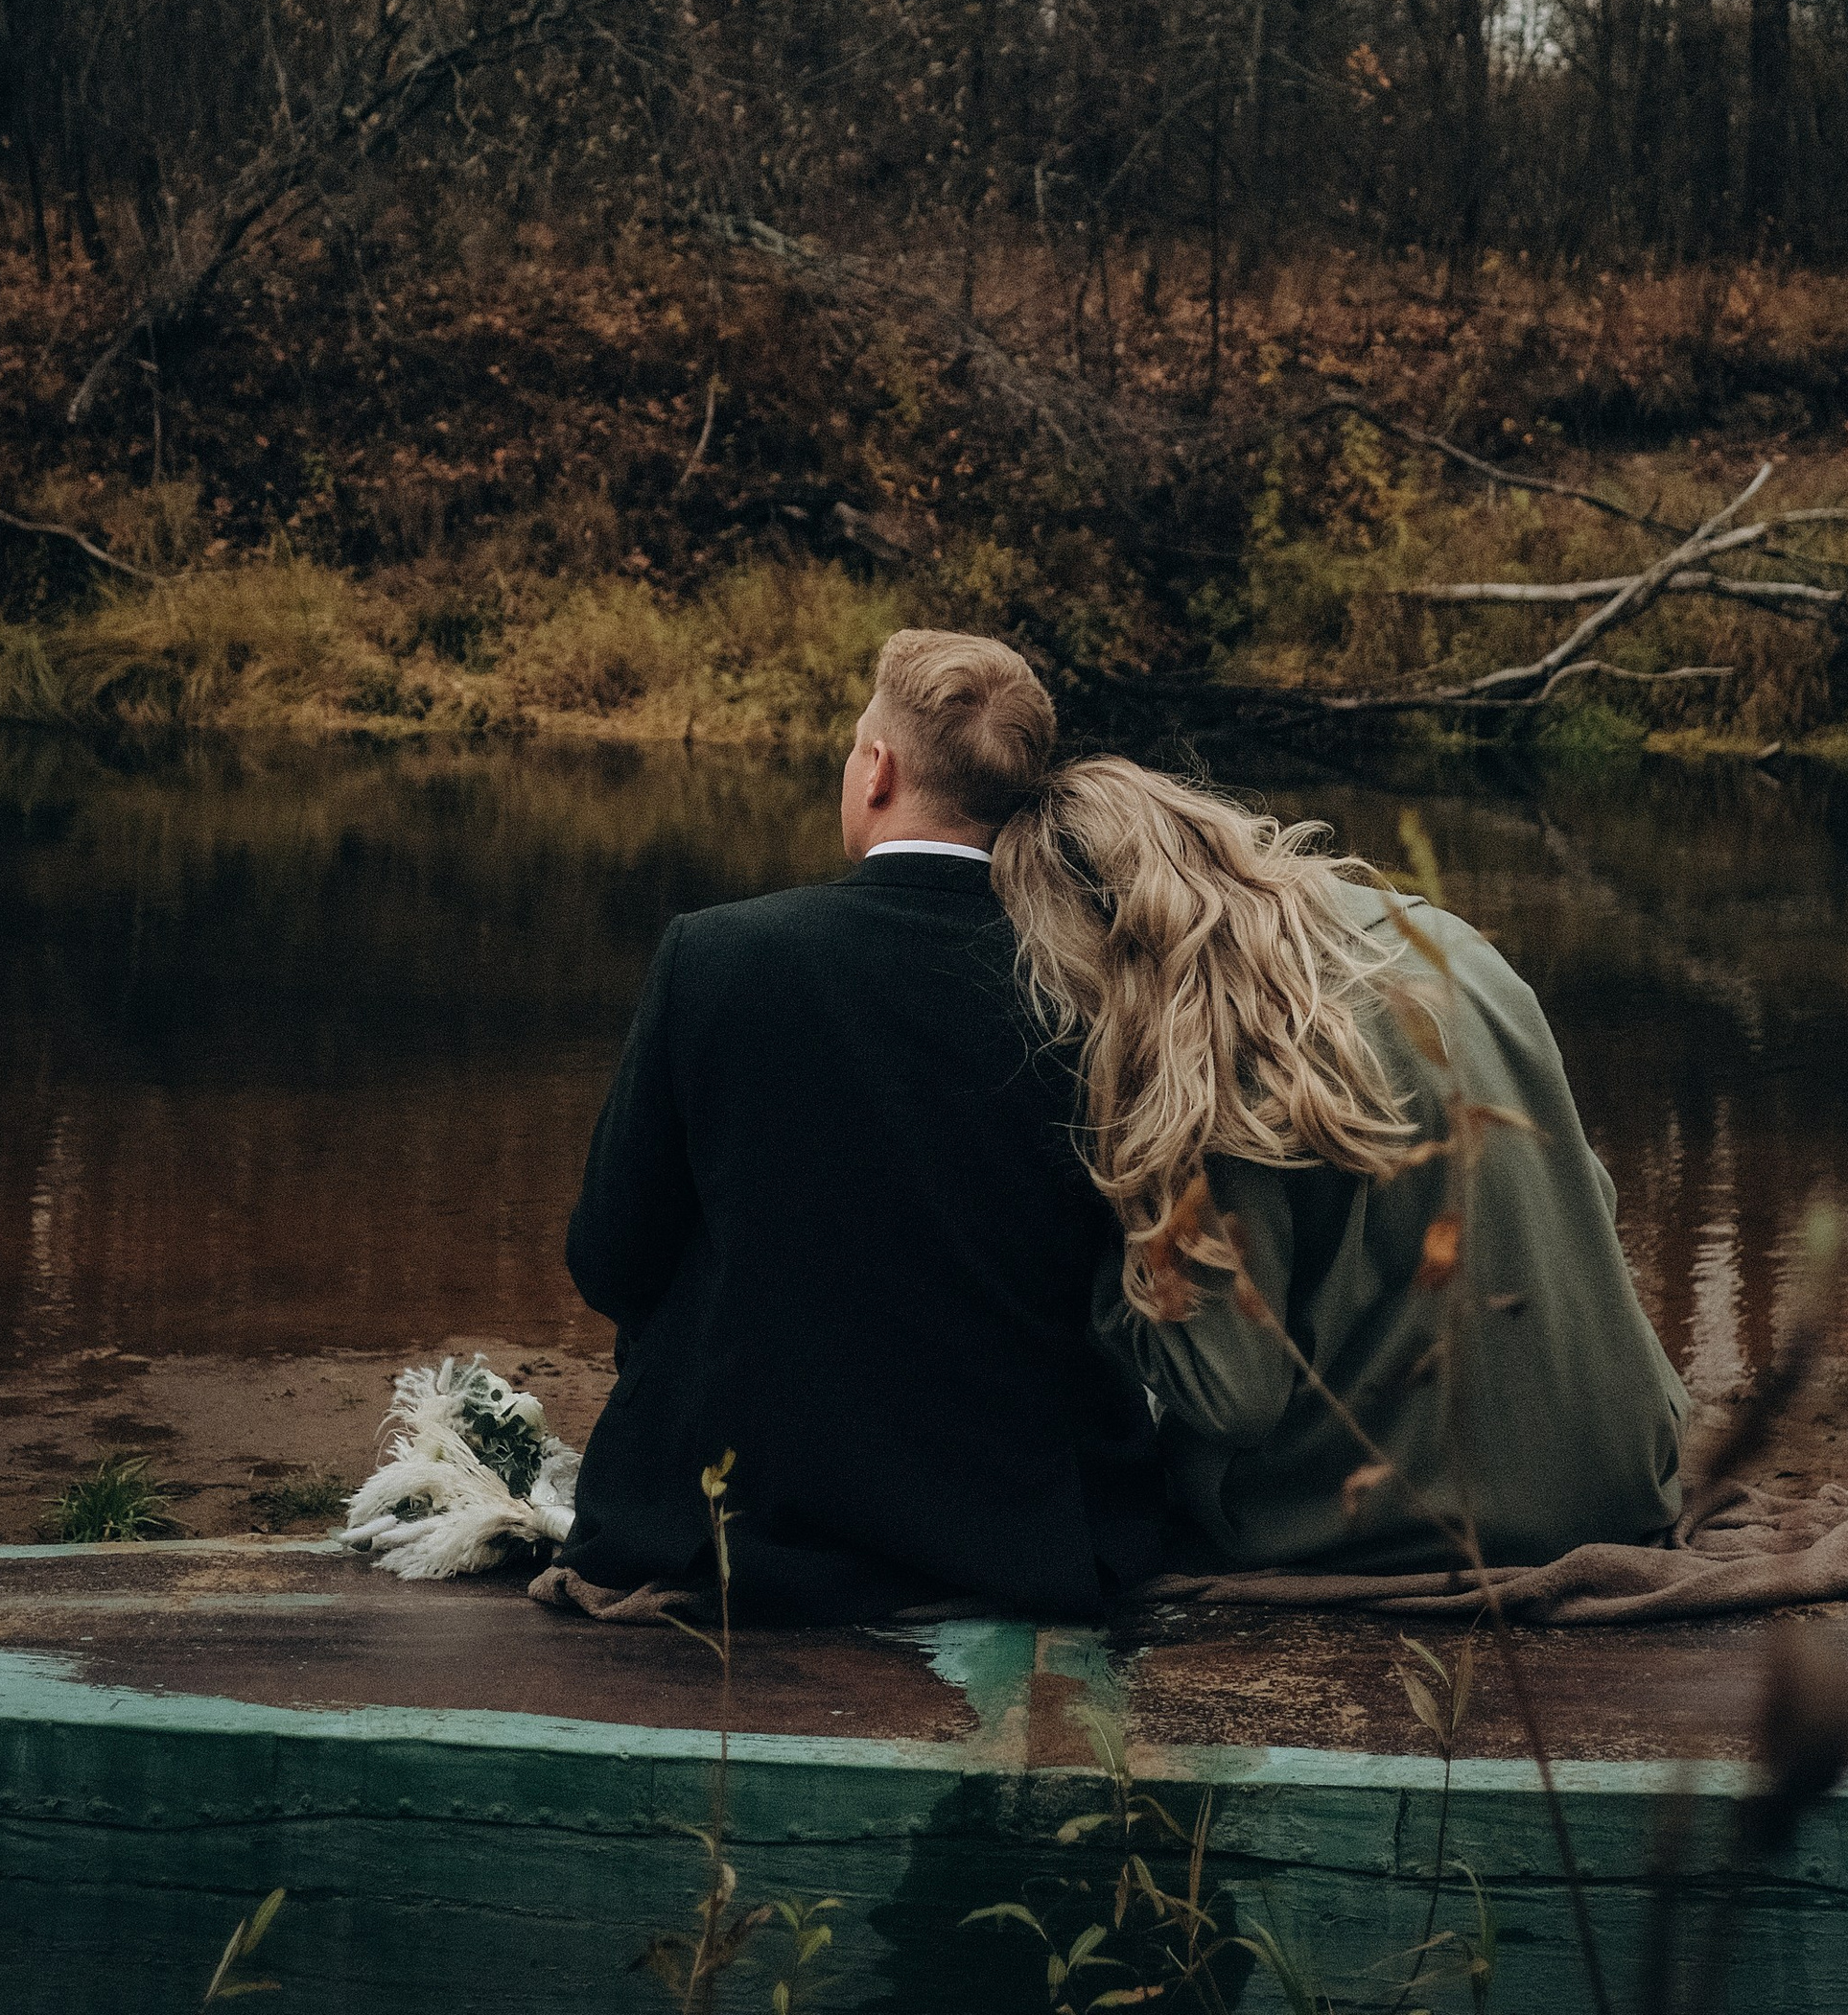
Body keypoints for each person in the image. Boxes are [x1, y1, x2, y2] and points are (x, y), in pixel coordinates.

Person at [541, 633, 1166, 1625]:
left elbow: (610, 1258)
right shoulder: (1096, 984)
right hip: (1021, 1522)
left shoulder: (718, 954)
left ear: (878, 769)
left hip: (748, 1517)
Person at [993, 757, 1686, 1576]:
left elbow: (1233, 1396)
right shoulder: (1436, 936)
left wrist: (1100, 1273)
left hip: (1454, 1521)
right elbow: (1594, 1194)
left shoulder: (1214, 1048)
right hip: (1632, 1470)